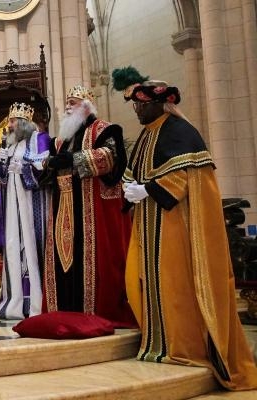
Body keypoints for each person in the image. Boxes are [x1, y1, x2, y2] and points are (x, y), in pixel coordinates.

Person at [114, 72, 257, 390]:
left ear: (158, 104)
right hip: (149, 225)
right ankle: (158, 345)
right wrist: (130, 189)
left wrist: (147, 190)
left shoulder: (180, 131)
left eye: (141, 106)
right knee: (147, 283)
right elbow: (133, 173)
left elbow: (186, 177)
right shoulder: (146, 135)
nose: (137, 112)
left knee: (175, 286)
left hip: (175, 227)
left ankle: (183, 347)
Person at [41, 85, 137, 328]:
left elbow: (111, 157)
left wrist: (74, 159)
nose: (67, 107)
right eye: (67, 102)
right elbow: (49, 170)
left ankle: (93, 309)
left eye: (72, 102)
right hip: (63, 203)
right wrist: (47, 165)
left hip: (92, 208)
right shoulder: (61, 138)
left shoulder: (104, 130)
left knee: (93, 258)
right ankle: (62, 308)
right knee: (63, 257)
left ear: (86, 106)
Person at [0, 102, 50, 320]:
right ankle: (14, 300)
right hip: (12, 208)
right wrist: (3, 165)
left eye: (14, 121)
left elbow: (46, 169)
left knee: (32, 247)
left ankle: (35, 300)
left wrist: (25, 170)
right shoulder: (9, 145)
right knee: (14, 247)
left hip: (31, 206)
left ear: (25, 123)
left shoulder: (39, 139)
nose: (10, 125)